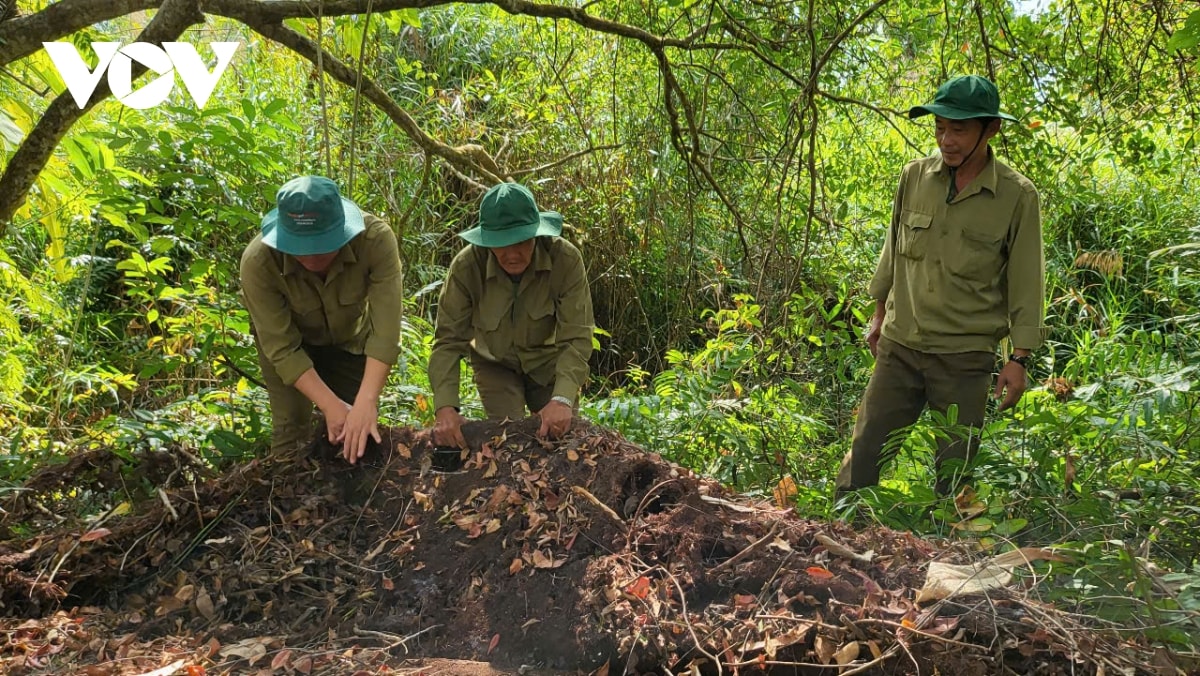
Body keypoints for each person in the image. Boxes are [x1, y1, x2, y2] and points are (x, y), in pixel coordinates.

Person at [836, 75, 1046, 496]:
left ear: (991, 130)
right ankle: (838, 535)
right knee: (863, 457)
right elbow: (892, 252)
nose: (946, 139)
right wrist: (878, 317)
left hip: (964, 359)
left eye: (959, 129)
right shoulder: (914, 176)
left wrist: (1019, 360)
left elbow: (1027, 281)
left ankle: (947, 549)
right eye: (940, 127)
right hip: (901, 346)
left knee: (954, 472)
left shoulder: (1016, 196)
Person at [240, 175, 402, 464]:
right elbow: (283, 348)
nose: (313, 255)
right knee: (292, 432)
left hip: (350, 340)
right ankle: (289, 503)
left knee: (357, 431)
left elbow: (386, 334)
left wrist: (365, 402)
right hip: (293, 348)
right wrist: (329, 405)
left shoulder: (375, 241)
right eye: (301, 247)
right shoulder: (259, 263)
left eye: (323, 244)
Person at [428, 182, 594, 449]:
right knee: (512, 442)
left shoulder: (565, 260)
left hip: (548, 363)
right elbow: (448, 341)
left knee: (560, 442)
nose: (512, 253)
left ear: (537, 235)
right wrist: (445, 406)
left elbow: (576, 336)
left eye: (521, 241)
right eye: (501, 244)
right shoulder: (467, 267)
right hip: (495, 364)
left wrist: (562, 398)